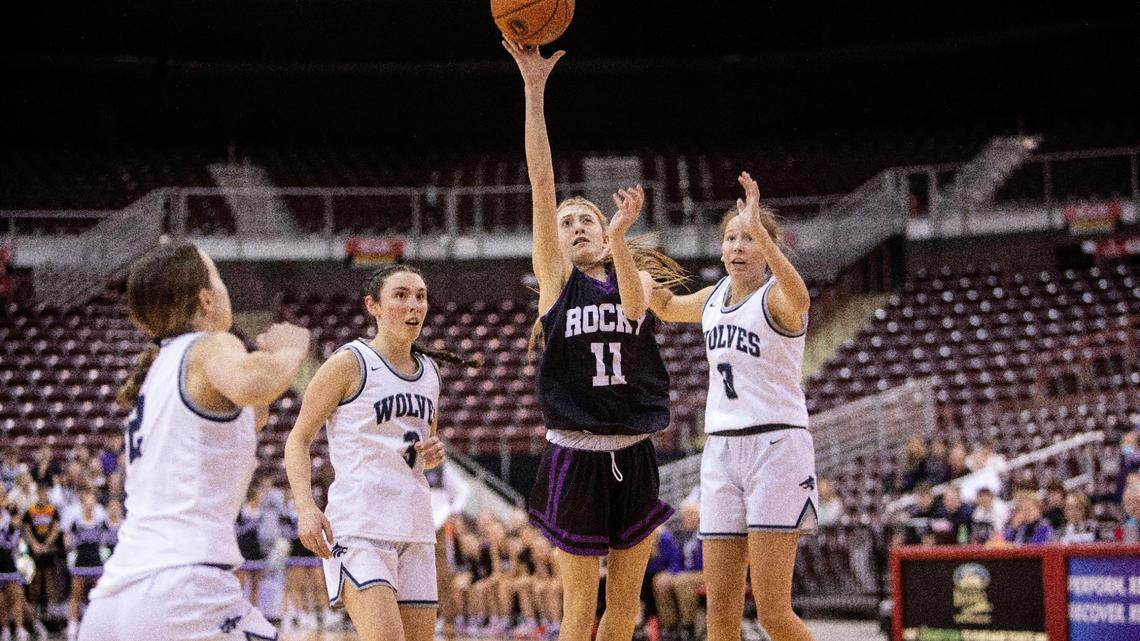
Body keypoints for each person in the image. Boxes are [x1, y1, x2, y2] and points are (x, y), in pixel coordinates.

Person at [503, 38, 687, 641]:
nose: (576, 225)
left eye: (586, 219)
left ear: (605, 236)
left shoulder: (630, 277)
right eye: (567, 222)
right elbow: (540, 180)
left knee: (625, 611)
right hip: (575, 453)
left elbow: (634, 309)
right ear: (554, 242)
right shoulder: (556, 283)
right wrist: (535, 91)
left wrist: (621, 240)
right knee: (578, 612)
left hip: (634, 451)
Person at [78, 242, 310, 641]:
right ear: (205, 299)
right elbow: (255, 383)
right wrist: (291, 349)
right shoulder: (210, 345)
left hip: (113, 602)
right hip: (181, 592)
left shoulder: (157, 372)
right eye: (218, 278)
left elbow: (219, 435)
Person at [650, 172, 816, 641]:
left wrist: (761, 227)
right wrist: (621, 250)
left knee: (772, 612)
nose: (738, 247)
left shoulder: (778, 299)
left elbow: (801, 297)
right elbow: (663, 304)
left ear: (768, 250)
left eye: (749, 239)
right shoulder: (713, 298)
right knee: (719, 617)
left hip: (776, 446)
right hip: (721, 450)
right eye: (731, 238)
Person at [284, 264, 461, 641]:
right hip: (360, 526)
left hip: (414, 526)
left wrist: (431, 454)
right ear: (373, 306)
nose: (414, 304)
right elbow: (297, 439)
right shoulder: (349, 363)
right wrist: (305, 508)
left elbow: (419, 446)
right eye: (400, 295)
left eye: (420, 296)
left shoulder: (430, 373)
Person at [64, 488, 108, 640]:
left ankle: (100, 625)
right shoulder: (76, 521)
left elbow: (106, 540)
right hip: (81, 560)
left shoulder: (100, 520)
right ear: (83, 502)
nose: (90, 501)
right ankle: (72, 626)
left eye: (93, 499)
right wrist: (70, 544)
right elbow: (67, 542)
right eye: (88, 499)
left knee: (98, 596)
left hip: (96, 560)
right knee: (76, 594)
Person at [234, 484, 268, 609]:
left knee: (255, 584)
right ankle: (240, 611)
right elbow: (237, 530)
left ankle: (255, 610)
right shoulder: (242, 510)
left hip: (256, 548)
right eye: (259, 495)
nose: (261, 497)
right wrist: (247, 526)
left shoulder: (260, 511)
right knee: (241, 584)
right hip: (243, 549)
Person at [1, 503, 30, 641]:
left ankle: (19, 628)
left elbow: (15, 542)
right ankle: (5, 629)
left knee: (16, 596)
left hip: (9, 561)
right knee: (1, 600)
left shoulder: (9, 515)